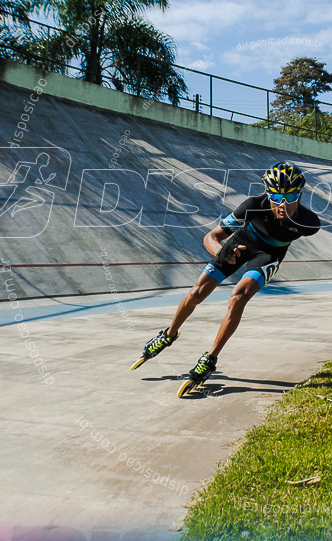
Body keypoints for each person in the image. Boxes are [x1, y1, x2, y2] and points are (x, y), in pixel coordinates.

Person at [131, 162, 321, 387]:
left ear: (299, 196)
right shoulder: (252, 206)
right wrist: (222, 252)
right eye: (276, 197)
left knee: (238, 297)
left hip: (270, 254)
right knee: (197, 292)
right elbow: (211, 237)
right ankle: (169, 334)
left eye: (289, 198)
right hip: (239, 245)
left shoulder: (309, 224)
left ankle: (210, 359)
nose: (282, 205)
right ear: (268, 194)